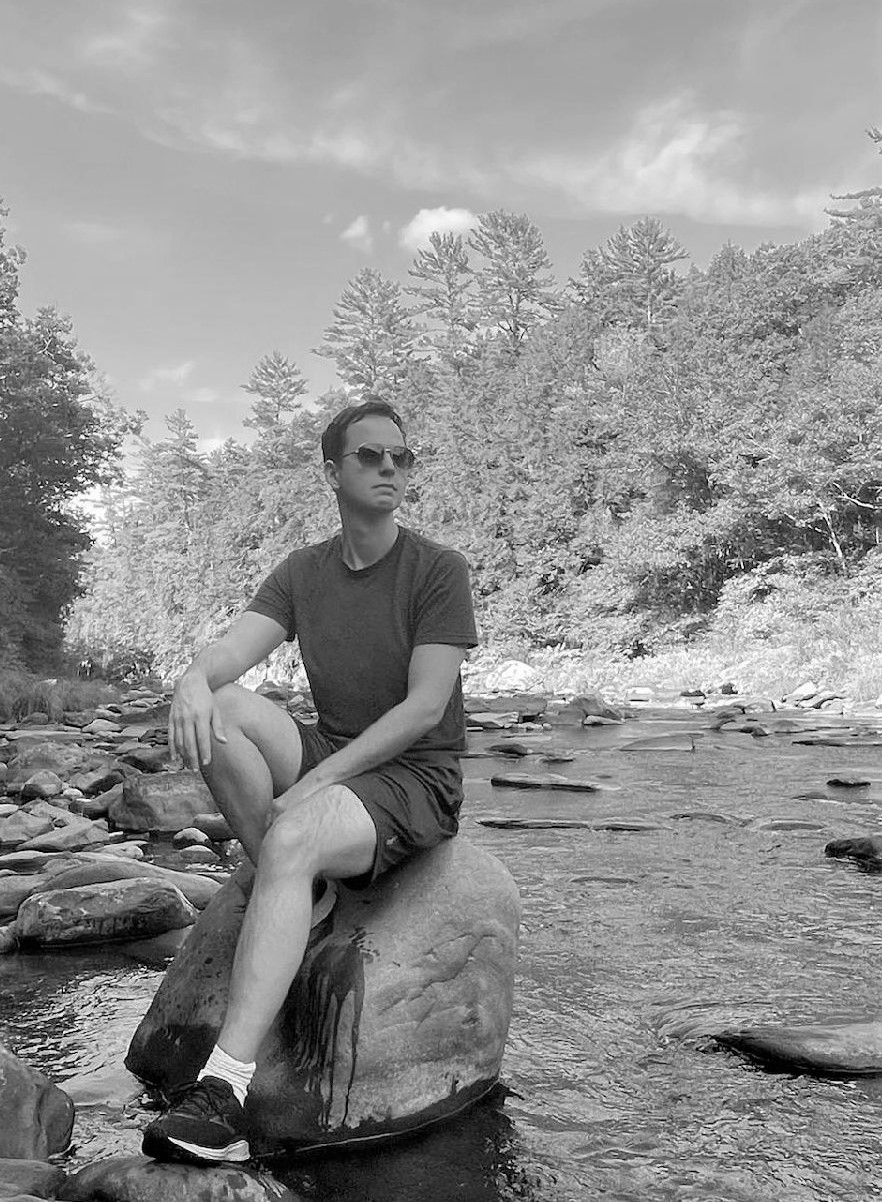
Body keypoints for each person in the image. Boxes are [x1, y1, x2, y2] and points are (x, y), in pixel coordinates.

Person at [141, 398, 478, 1166]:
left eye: (402, 455)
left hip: (415, 778)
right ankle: (298, 885)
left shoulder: (437, 569)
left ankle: (223, 1092)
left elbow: (426, 708)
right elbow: (234, 652)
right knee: (222, 709)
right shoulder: (304, 571)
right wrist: (193, 679)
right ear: (332, 471)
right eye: (371, 455)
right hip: (336, 752)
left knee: (295, 833)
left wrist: (317, 783)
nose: (392, 466)